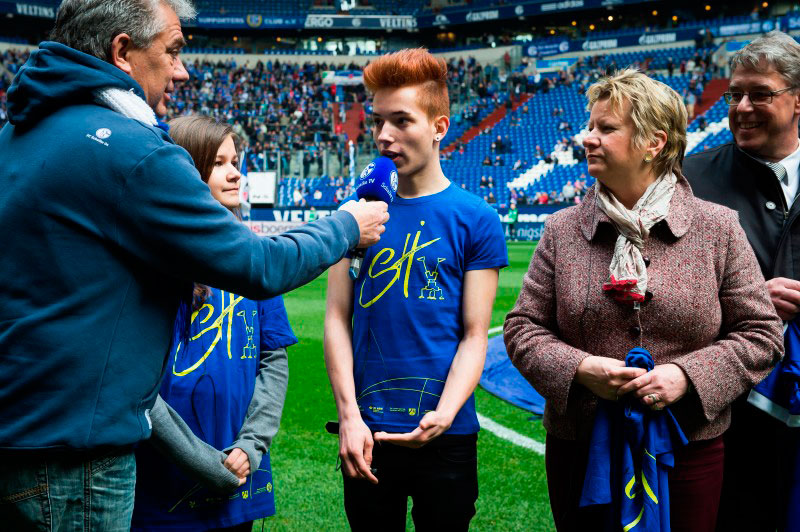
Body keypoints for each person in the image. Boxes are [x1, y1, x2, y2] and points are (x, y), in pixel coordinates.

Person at [0, 1, 388, 530]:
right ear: (123, 52)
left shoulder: (19, 134)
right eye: (174, 51)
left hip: (23, 435)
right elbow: (256, 264)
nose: (183, 71)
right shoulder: (131, 151)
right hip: (76, 459)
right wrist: (346, 226)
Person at [504, 70, 783, 532]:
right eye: (590, 126)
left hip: (689, 449)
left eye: (604, 128)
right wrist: (580, 370)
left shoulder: (718, 228)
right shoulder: (561, 230)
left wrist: (686, 376)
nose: (586, 138)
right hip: (579, 446)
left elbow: (762, 333)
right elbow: (522, 328)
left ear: (654, 142)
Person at [324, 48, 507, 531]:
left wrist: (444, 416)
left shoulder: (478, 219)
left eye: (401, 120)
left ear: (439, 126)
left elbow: (474, 334)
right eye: (379, 120)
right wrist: (348, 416)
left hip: (446, 435)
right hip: (367, 433)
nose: (384, 135)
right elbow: (336, 319)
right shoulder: (352, 214)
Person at [132, 115, 295, 531]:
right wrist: (200, 460)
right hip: (161, 484)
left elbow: (272, 361)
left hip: (239, 472)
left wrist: (251, 444)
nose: (236, 173)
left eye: (236, 160)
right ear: (187, 170)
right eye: (220, 162)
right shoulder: (150, 265)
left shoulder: (256, 258)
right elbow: (137, 385)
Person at [682, 30, 800, 532]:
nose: (742, 106)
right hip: (725, 418)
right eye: (735, 94)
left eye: (759, 94)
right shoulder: (689, 179)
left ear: (798, 101)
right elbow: (652, 290)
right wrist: (739, 304)